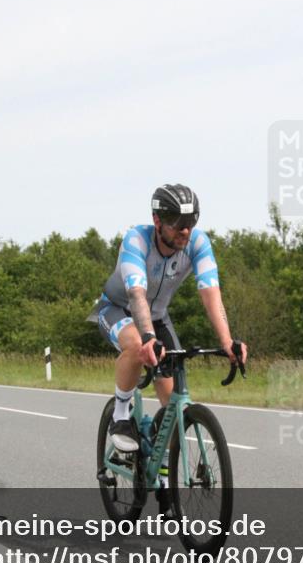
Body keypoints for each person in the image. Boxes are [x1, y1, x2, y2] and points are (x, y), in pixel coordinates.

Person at [91, 183, 247, 493]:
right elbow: (136, 293)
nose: (186, 231)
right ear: (158, 220)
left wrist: (228, 341)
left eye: (192, 222)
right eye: (178, 223)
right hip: (118, 309)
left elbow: (210, 294)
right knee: (136, 346)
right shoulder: (136, 239)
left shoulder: (198, 243)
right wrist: (148, 338)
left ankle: (161, 466)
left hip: (159, 316)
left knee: (173, 399)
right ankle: (121, 417)